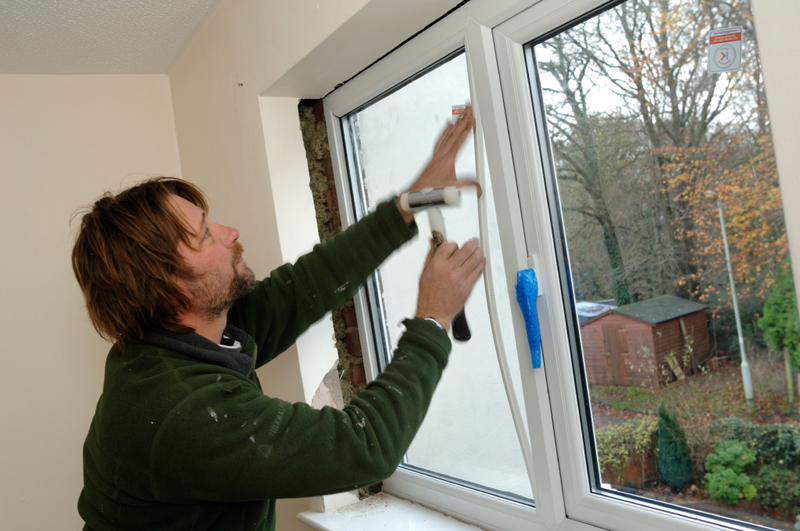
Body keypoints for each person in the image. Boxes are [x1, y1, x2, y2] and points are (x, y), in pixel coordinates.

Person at [72, 107, 484, 531]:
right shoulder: (184, 411)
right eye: (205, 235)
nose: (230, 232)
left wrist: (409, 202)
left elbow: (305, 288)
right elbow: (364, 447)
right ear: (171, 287)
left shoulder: (181, 337)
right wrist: (432, 319)